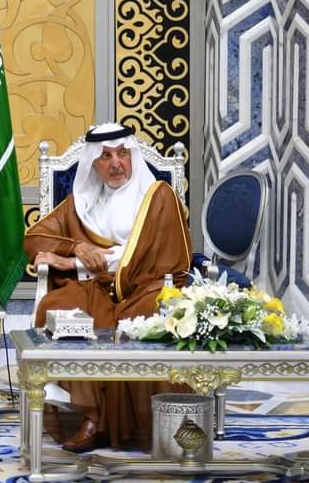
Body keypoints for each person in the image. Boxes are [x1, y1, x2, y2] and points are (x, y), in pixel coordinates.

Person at [24, 123, 193, 452]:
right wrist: (75, 247)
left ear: (132, 156)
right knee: (57, 307)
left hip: (145, 287)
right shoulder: (82, 204)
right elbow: (35, 238)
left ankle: (156, 422)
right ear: (93, 164)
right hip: (97, 288)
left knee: (149, 317)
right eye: (105, 157)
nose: (116, 163)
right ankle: (93, 416)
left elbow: (155, 258)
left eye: (122, 154)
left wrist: (73, 263)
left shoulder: (158, 196)